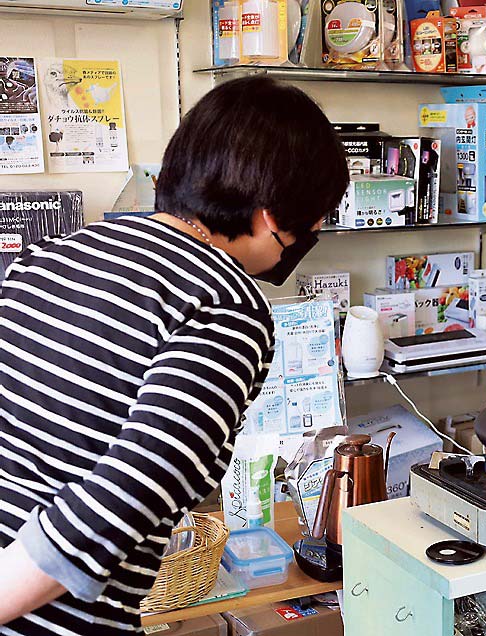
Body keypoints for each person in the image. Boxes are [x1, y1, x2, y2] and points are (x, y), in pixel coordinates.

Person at [0, 75, 349, 634]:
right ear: (267, 215)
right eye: (313, 223)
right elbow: (124, 498)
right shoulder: (226, 306)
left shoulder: (51, 254)